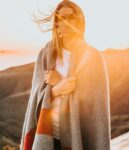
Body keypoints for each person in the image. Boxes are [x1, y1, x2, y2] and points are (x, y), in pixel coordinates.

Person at [20, 0, 111, 150]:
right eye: (61, 18)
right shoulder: (45, 55)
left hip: (78, 137)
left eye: (71, 17)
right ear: (56, 23)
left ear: (79, 22)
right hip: (47, 135)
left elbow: (96, 107)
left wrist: (60, 81)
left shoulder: (93, 57)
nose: (66, 22)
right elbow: (35, 98)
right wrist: (56, 89)